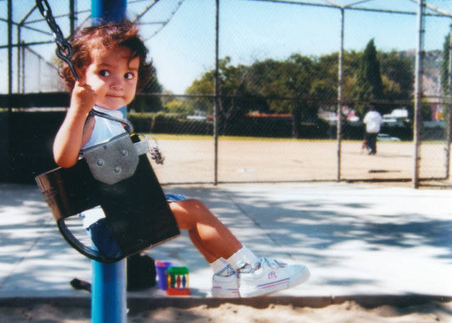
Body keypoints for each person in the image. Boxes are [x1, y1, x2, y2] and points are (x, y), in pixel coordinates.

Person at [53, 20, 309, 298]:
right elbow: (63, 158)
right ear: (80, 77)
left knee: (191, 206)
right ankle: (251, 269)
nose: (119, 83)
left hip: (120, 216)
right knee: (196, 211)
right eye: (105, 72)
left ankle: (225, 275)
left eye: (129, 74)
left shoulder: (109, 117)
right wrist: (78, 109)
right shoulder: (89, 117)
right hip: (111, 228)